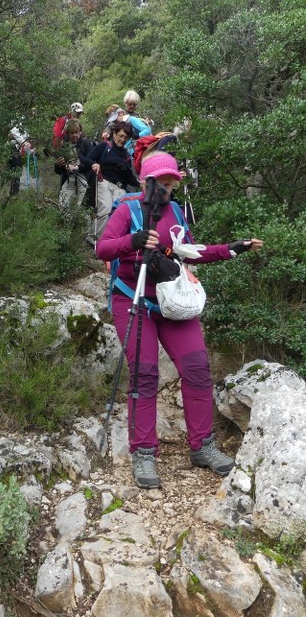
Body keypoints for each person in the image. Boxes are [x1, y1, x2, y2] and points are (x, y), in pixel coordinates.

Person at [95, 151, 264, 489]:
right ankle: (143, 452)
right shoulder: (128, 209)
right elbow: (103, 248)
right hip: (133, 297)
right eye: (163, 182)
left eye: (173, 183)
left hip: (172, 301)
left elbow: (189, 252)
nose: (169, 189)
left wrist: (232, 248)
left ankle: (202, 447)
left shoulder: (174, 211)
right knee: (144, 374)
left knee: (198, 369)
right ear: (146, 181)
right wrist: (134, 240)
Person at [90, 120, 140, 240]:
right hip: (104, 182)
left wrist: (141, 183)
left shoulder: (127, 156)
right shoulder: (105, 146)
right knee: (106, 208)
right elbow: (88, 159)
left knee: (120, 212)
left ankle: (113, 240)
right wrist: (94, 164)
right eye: (121, 136)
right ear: (114, 134)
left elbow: (129, 177)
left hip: (120, 188)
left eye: (126, 137)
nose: (122, 139)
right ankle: (97, 239)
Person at [54, 119, 93, 207]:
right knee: (63, 206)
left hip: (84, 179)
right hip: (68, 180)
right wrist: (58, 165)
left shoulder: (86, 144)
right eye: (72, 133)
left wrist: (76, 168)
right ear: (68, 133)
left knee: (84, 208)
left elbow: (90, 164)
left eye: (76, 132)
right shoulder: (64, 146)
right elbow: (57, 171)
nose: (74, 135)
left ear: (80, 132)